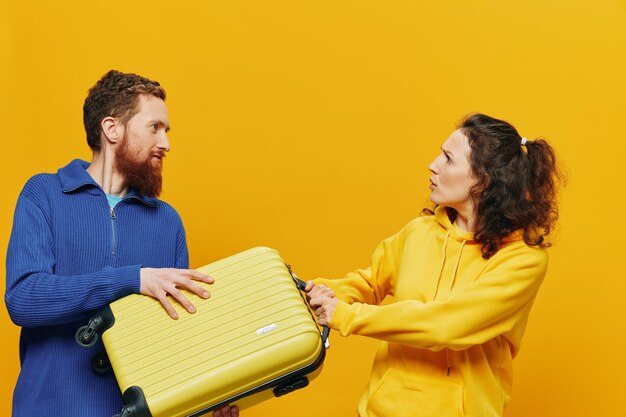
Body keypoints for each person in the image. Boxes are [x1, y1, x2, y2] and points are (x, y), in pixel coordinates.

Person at [5, 70, 238, 417]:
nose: (166, 144)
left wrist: (208, 399)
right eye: (154, 127)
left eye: (167, 131)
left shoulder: (167, 221)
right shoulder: (44, 195)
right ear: (112, 129)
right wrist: (131, 280)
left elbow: (175, 336)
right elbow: (24, 298)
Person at [305, 113, 563, 417]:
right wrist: (314, 290)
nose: (433, 165)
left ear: (484, 180)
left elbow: (447, 325)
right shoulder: (419, 232)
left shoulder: (523, 261)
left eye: (448, 159)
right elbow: (369, 282)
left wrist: (346, 315)